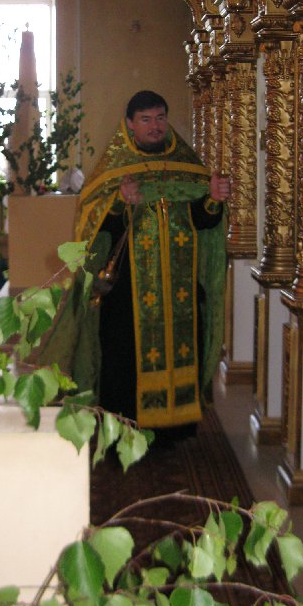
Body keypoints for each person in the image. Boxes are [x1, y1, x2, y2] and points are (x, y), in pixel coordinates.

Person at [71, 90, 228, 431]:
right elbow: (95, 227)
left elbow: (202, 219)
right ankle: (125, 427)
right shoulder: (114, 170)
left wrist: (213, 199)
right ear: (130, 124)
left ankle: (174, 428)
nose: (154, 126)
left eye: (160, 118)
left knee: (181, 348)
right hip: (128, 287)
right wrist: (118, 201)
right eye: (145, 120)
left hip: (179, 286)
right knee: (124, 355)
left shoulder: (186, 166)